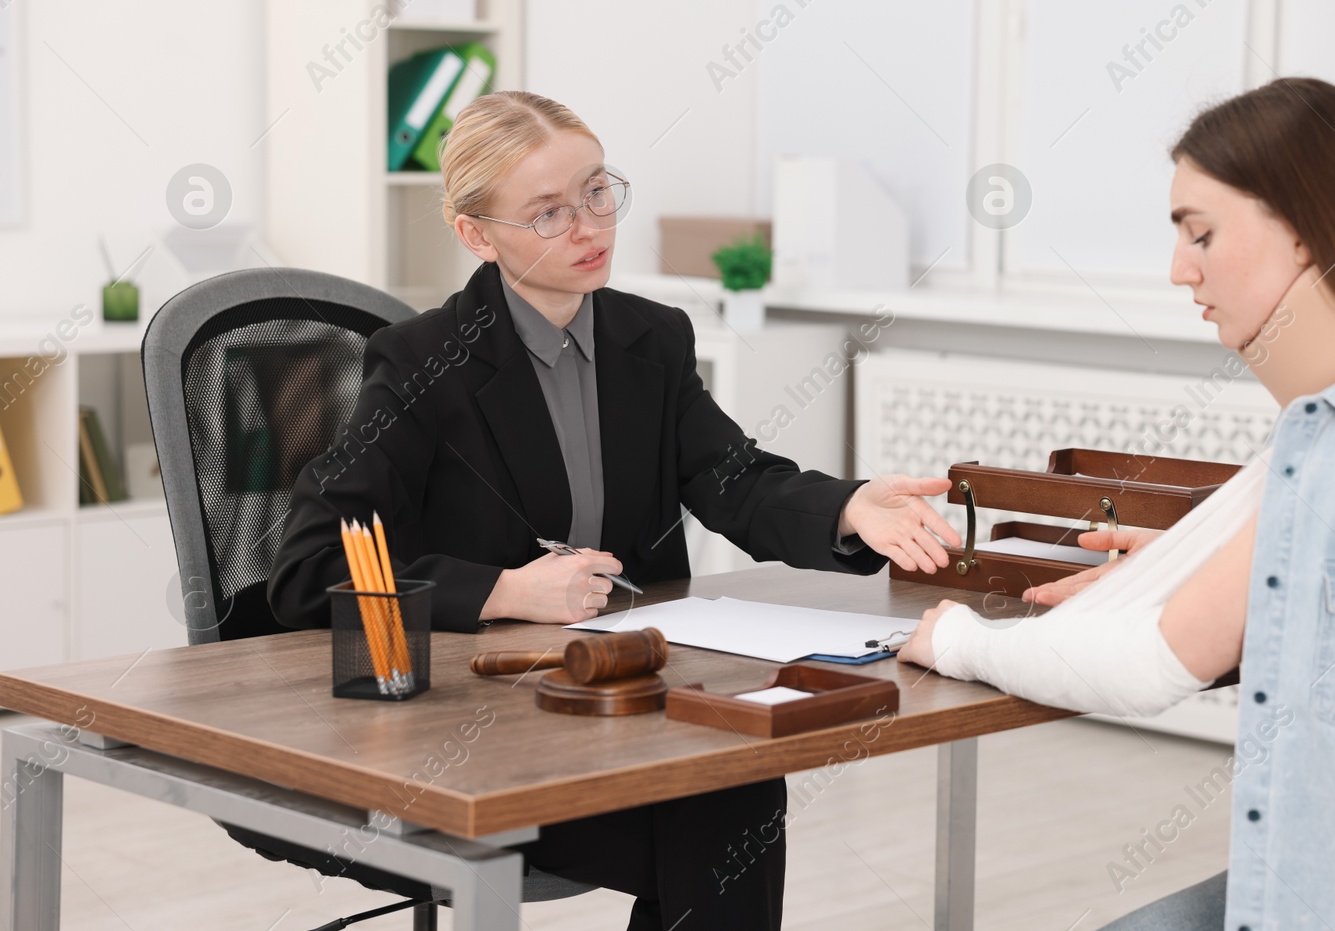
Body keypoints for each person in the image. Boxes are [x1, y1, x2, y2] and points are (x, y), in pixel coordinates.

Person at [899, 78, 1335, 928]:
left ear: (1305, 235)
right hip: (1331, 875)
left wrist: (960, 639)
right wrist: (1168, 582)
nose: (1177, 267)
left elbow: (1147, 664)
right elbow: (1266, 588)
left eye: (1201, 233)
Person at [268, 90, 962, 930]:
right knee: (724, 815)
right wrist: (504, 590)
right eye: (549, 212)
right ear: (476, 234)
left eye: (598, 192)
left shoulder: (652, 340)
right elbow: (310, 564)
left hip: (620, 703)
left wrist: (851, 505)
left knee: (734, 786)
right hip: (473, 726)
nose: (589, 226)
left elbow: (733, 477)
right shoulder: (420, 363)